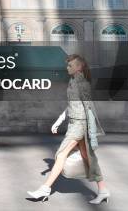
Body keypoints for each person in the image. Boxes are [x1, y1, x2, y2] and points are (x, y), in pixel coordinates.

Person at [27, 54, 108, 204]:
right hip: (74, 123)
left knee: (61, 155)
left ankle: (45, 189)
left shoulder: (82, 84)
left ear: (79, 67)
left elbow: (89, 107)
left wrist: (92, 132)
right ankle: (103, 190)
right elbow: (72, 105)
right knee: (88, 158)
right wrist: (59, 120)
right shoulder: (73, 82)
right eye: (67, 65)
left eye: (70, 65)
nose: (67, 68)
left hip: (79, 125)